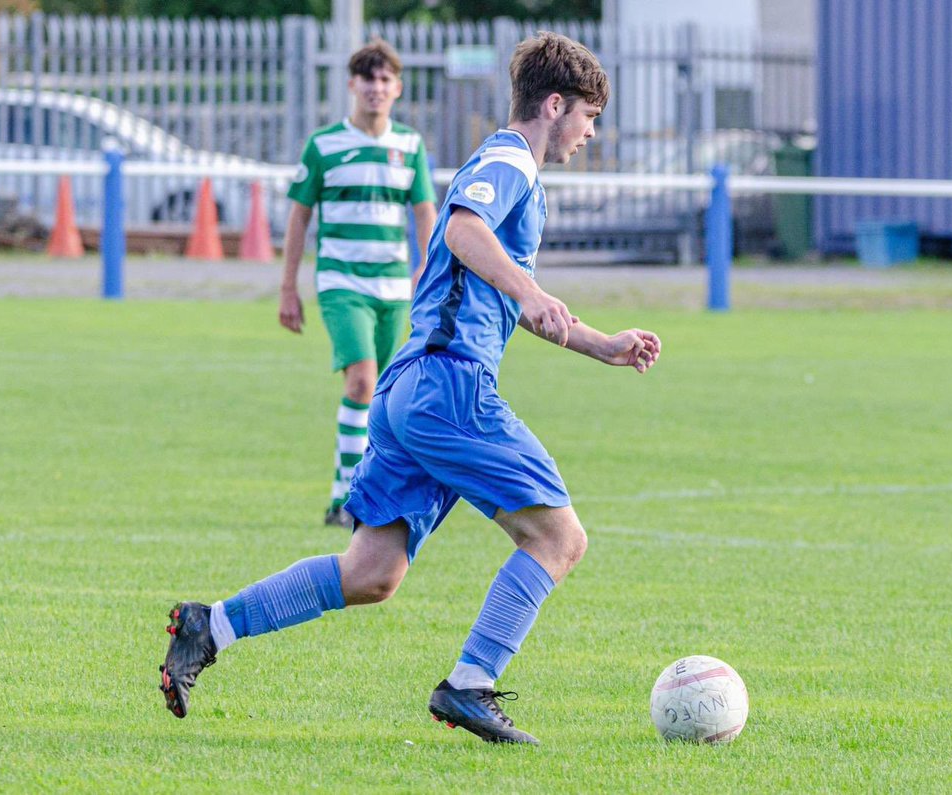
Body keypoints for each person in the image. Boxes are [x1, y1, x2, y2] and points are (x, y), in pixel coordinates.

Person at [160, 32, 661, 746]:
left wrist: (599, 344)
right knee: (559, 536)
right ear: (556, 104)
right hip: (449, 385)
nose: (590, 132)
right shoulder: (510, 158)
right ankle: (470, 682)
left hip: (412, 387)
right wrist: (526, 285)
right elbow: (460, 231)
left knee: (372, 571)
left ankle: (213, 625)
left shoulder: (514, 171)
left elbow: (506, 291)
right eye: (589, 115)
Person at [278, 38, 438, 527]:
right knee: (363, 379)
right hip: (342, 282)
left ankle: (349, 491)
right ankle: (349, 498)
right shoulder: (324, 145)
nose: (377, 87)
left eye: (385, 79)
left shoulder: (408, 146)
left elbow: (425, 211)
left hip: (394, 287)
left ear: (398, 87)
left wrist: (424, 268)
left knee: (384, 396)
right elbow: (299, 217)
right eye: (368, 78)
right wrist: (289, 287)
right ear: (352, 85)